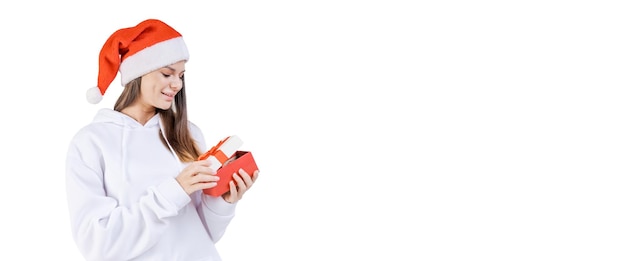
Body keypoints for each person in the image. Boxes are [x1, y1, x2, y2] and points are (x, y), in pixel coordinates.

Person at [65, 19, 259, 261]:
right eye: (167, 73)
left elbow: (205, 234)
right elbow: (99, 245)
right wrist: (174, 191)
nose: (177, 84)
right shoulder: (91, 143)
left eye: (181, 75)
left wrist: (223, 201)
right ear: (138, 74)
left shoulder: (188, 134)